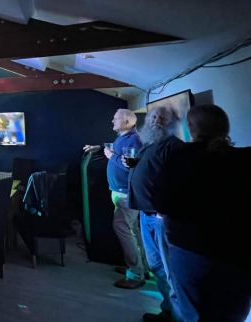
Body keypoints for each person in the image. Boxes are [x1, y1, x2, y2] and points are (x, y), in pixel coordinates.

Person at [154, 105, 251, 322]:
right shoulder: (245, 159)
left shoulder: (182, 157)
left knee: (194, 314)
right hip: (240, 254)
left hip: (192, 251)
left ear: (191, 127)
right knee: (232, 314)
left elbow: (163, 202)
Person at [123, 106, 184, 322]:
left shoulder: (174, 146)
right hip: (146, 214)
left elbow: (178, 182)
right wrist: (135, 164)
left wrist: (163, 213)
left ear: (172, 123)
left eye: (162, 118)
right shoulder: (150, 143)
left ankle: (177, 316)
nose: (157, 121)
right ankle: (168, 311)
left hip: (160, 218)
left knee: (170, 270)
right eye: (154, 117)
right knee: (157, 267)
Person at [84, 109, 147, 289]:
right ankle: (142, 268)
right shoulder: (124, 137)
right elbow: (119, 152)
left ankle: (135, 274)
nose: (112, 121)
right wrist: (100, 149)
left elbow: (132, 166)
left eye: (116, 118)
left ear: (127, 122)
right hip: (120, 191)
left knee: (123, 229)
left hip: (126, 193)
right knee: (132, 229)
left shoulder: (134, 139)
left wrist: (112, 156)